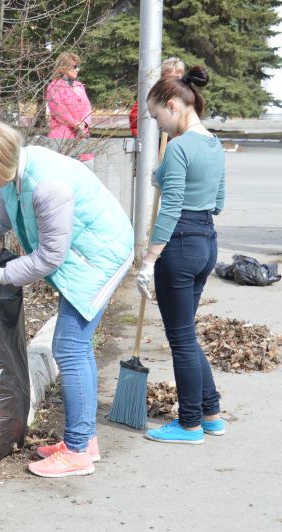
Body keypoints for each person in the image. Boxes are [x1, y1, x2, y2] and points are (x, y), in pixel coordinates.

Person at [0, 120, 134, 478]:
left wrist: (1, 275)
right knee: (75, 346)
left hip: (99, 257)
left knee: (70, 347)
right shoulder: (17, 175)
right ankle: (84, 442)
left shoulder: (47, 186)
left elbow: (50, 257)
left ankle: (77, 450)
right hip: (83, 256)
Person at [138, 66, 226, 444]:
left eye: (157, 116)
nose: (158, 125)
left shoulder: (179, 147)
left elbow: (170, 207)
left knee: (181, 339)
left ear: (173, 105)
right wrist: (170, 177)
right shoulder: (213, 143)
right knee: (187, 336)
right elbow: (218, 201)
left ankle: (189, 423)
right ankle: (211, 413)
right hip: (207, 240)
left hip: (180, 245)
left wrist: (149, 259)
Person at [45, 52, 94, 168]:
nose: (77, 69)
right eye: (74, 66)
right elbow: (58, 110)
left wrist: (84, 123)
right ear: (63, 67)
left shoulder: (79, 85)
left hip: (82, 136)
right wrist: (75, 124)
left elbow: (87, 106)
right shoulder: (54, 86)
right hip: (62, 137)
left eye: (78, 66)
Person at [130, 57, 185, 137]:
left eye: (178, 78)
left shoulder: (184, 97)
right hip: (156, 144)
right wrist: (146, 140)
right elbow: (135, 121)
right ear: (162, 76)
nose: (175, 82)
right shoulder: (153, 95)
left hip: (177, 143)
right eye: (171, 78)